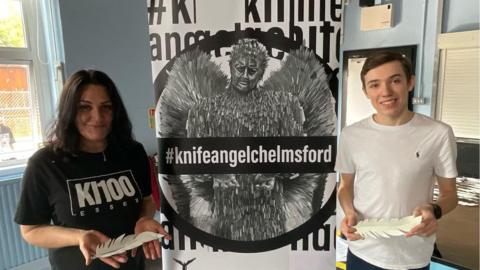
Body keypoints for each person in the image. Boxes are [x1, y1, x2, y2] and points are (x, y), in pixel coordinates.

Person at [14, 70, 171, 270]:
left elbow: (147, 200)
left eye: (106, 107)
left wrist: (142, 219)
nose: (97, 117)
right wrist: (79, 236)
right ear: (69, 111)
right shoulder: (45, 163)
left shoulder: (132, 152)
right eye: (84, 107)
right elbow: (31, 230)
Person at [336, 51, 458, 270]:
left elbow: (450, 195)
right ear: (365, 91)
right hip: (363, 250)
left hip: (413, 254)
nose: (385, 92)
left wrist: (434, 210)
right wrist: (349, 211)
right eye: (374, 85)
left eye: (395, 80)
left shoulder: (438, 133)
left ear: (409, 82)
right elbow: (345, 186)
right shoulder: (351, 135)